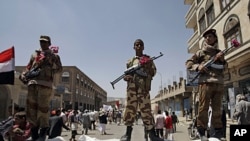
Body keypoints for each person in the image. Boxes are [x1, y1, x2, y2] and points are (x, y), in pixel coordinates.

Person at [186, 29, 227, 141]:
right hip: (205, 83)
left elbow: (225, 68)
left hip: (218, 83)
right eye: (206, 37)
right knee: (203, 108)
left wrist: (222, 60)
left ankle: (218, 132)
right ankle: (201, 131)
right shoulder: (200, 53)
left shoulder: (219, 53)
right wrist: (198, 67)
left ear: (215, 39)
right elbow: (188, 63)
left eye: (210, 36)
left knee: (217, 109)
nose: (208, 38)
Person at [19, 35, 62, 141]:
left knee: (43, 109)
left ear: (49, 43)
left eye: (45, 42)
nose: (42, 43)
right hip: (32, 83)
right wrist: (24, 74)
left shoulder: (53, 55)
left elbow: (59, 68)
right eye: (41, 42)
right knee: (31, 109)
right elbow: (28, 66)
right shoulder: (34, 54)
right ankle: (34, 133)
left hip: (45, 85)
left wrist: (49, 69)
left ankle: (42, 133)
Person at [120, 39, 163, 141]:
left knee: (146, 111)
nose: (138, 46)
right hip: (132, 89)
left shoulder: (148, 59)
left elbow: (153, 72)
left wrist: (147, 65)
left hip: (143, 89)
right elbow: (127, 74)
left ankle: (152, 135)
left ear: (143, 47)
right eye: (136, 45)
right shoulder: (130, 61)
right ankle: (128, 134)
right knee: (130, 109)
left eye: (140, 45)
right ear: (134, 47)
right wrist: (126, 78)